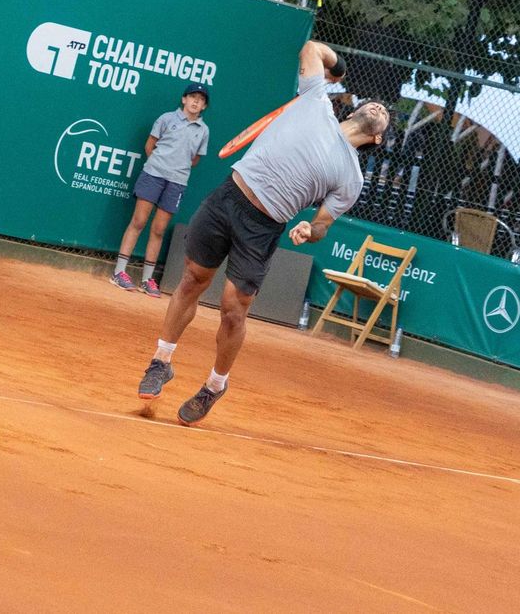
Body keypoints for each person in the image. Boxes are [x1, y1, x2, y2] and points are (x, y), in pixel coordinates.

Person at [136, 42, 388, 427]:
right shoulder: (316, 98)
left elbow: (324, 223)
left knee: (233, 311)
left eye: (386, 115)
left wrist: (311, 228)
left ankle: (215, 384)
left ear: (378, 139)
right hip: (228, 196)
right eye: (375, 104)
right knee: (191, 280)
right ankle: (161, 361)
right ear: (354, 108)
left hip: (264, 226)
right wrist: (337, 70)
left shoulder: (352, 178)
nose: (380, 109)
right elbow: (310, 48)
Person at [110, 84, 211, 296]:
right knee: (138, 222)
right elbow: (150, 145)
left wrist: (175, 169)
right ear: (184, 99)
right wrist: (159, 166)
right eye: (192, 97)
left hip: (177, 182)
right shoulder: (166, 119)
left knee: (158, 230)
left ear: (204, 106)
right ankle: (119, 272)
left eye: (200, 100)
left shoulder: (204, 131)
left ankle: (147, 279)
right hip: (153, 175)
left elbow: (195, 160)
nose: (195, 102)